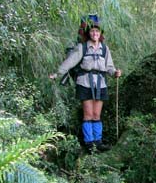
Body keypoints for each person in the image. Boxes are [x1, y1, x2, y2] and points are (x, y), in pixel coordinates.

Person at [49, 15, 121, 153]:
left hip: (100, 84)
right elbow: (70, 62)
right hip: (85, 83)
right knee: (88, 114)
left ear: (100, 34)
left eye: (97, 32)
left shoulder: (104, 49)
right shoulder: (82, 48)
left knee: (96, 115)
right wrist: (57, 74)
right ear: (89, 33)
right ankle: (89, 144)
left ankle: (98, 142)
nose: (95, 34)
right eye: (93, 31)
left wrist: (115, 73)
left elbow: (110, 67)